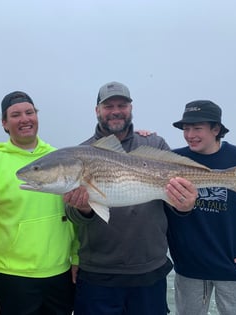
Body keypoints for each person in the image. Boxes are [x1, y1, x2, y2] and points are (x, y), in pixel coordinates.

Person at [63, 81, 197, 315]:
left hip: (149, 269)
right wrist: (83, 209)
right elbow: (74, 217)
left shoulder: (153, 143)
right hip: (99, 273)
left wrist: (184, 206)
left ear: (131, 108)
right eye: (108, 106)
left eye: (122, 105)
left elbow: (174, 202)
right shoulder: (79, 154)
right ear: (97, 111)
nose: (116, 111)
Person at [0, 91, 78, 315]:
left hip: (59, 274)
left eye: (29, 112)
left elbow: (74, 217)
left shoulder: (62, 158)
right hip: (11, 277)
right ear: (4, 123)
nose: (24, 119)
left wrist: (77, 257)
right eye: (15, 115)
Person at [166, 100, 236, 315]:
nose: (190, 134)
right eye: (186, 128)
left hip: (235, 268)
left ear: (216, 129)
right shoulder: (172, 160)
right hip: (189, 268)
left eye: (197, 128)